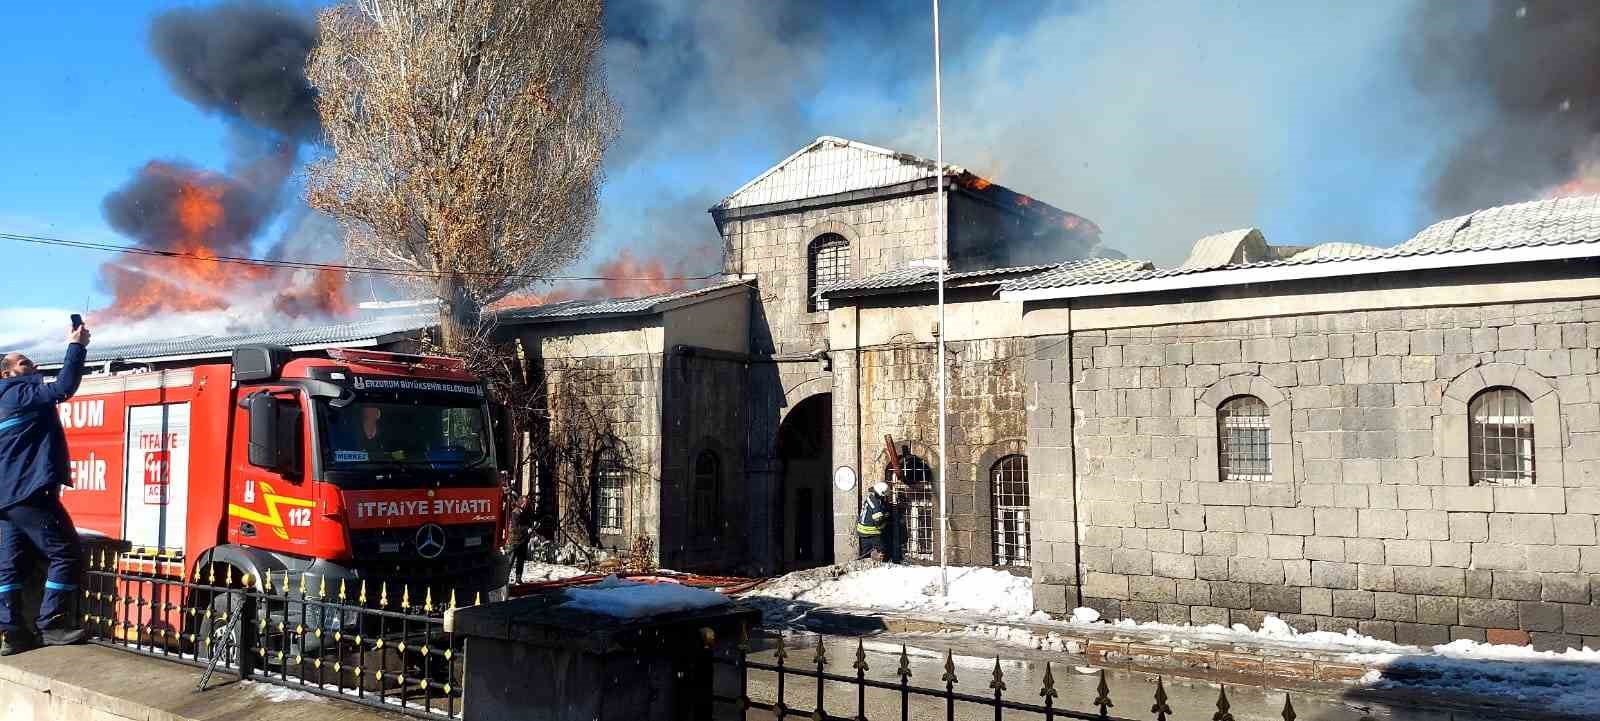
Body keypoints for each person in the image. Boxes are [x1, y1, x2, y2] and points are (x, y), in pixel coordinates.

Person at [0, 322, 91, 654]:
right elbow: (65, 387)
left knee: (9, 565)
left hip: (7, 499)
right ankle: (52, 624)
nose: (33, 366)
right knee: (65, 552)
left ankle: (12, 634)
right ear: (7, 374)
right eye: (24, 363)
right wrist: (76, 346)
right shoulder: (19, 393)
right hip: (29, 494)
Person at [855, 481, 890, 561]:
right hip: (871, 532)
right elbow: (878, 521)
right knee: (882, 551)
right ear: (881, 495)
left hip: (862, 532)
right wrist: (886, 517)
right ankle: (882, 564)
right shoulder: (876, 505)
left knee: (865, 554)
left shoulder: (870, 498)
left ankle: (864, 565)